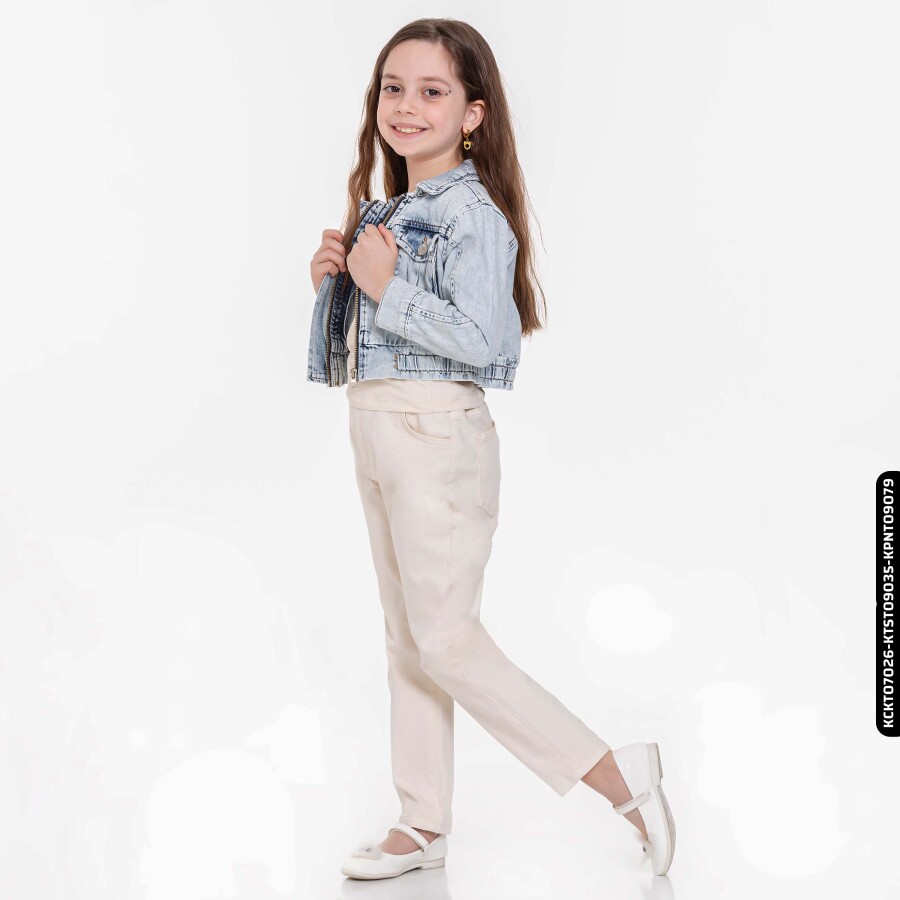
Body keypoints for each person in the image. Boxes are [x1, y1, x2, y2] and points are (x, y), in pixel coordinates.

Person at [306, 17, 676, 880]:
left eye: (432, 91)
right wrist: (339, 287)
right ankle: (422, 822)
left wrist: (385, 288)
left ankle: (620, 777)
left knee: (445, 639)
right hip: (378, 423)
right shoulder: (393, 207)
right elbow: (394, 332)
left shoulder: (473, 213)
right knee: (409, 639)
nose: (406, 106)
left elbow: (489, 343)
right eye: (394, 88)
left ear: (473, 113)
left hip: (435, 435)